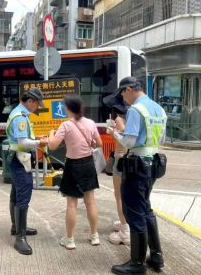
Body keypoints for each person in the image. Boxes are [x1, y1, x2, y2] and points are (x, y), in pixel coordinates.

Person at [106, 77, 167, 275]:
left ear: (130, 89)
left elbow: (130, 142)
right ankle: (156, 257)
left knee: (135, 212)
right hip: (152, 163)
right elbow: (162, 139)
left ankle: (137, 264)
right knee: (146, 210)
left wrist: (115, 133)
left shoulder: (135, 110)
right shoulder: (158, 108)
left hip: (137, 166)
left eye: (123, 93)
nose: (124, 98)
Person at [48, 94, 103, 250]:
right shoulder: (91, 123)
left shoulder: (65, 125)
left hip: (73, 166)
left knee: (72, 204)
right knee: (90, 201)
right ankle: (94, 236)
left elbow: (52, 146)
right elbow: (98, 143)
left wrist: (52, 133)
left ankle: (70, 240)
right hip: (88, 164)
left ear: (68, 108)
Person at [6, 87, 48, 255]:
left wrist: (36, 139)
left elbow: (21, 138)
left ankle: (16, 227)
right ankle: (20, 238)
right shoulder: (21, 117)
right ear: (30, 101)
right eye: (37, 104)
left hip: (16, 158)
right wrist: (39, 143)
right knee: (23, 194)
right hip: (20, 159)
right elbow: (22, 141)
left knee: (16, 193)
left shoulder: (18, 112)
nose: (37, 107)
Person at [103, 95, 130, 246]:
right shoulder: (132, 116)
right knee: (125, 194)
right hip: (130, 159)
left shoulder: (119, 119)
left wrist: (114, 131)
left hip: (121, 158)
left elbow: (123, 135)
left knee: (119, 195)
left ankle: (125, 230)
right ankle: (124, 222)